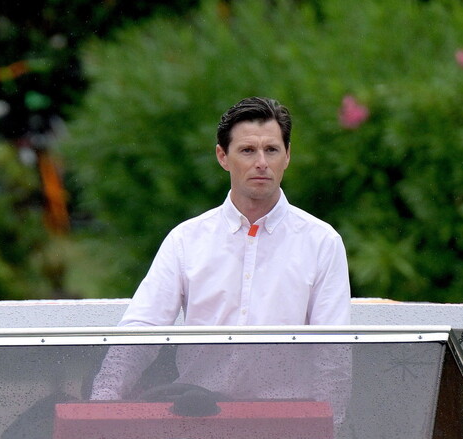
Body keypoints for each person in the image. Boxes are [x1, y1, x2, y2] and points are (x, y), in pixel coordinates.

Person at [91, 97, 350, 410]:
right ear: (222, 156)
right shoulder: (186, 240)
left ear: (288, 156)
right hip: (197, 420)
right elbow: (140, 332)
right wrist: (97, 410)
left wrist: (325, 438)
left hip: (286, 429)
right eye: (247, 150)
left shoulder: (322, 242)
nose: (261, 163)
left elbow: (333, 355)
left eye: (271, 150)